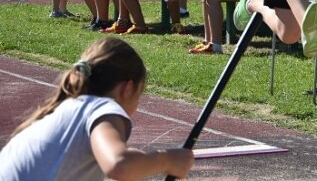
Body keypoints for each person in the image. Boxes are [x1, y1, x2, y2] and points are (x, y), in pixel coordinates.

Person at [0, 37, 194, 180]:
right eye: (139, 93)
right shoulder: (103, 108)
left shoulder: (69, 108)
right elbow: (119, 164)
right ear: (127, 88)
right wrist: (167, 160)